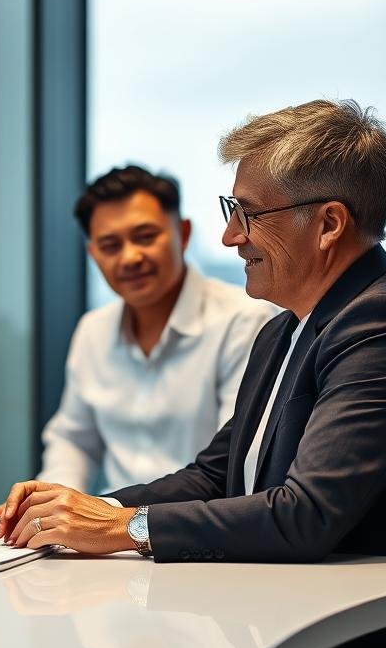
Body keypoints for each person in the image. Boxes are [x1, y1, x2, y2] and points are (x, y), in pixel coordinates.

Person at [0, 100, 386, 566]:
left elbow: (304, 514)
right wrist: (83, 509)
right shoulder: (284, 330)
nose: (232, 236)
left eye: (248, 213)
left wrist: (126, 527)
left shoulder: (385, 329)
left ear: (328, 224)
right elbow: (216, 475)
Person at [39, 166, 273, 492]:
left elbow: (231, 463)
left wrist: (105, 514)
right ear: (93, 255)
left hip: (200, 530)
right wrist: (52, 503)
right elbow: (74, 440)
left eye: (145, 237)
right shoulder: (93, 331)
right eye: (110, 245)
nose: (130, 257)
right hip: (106, 532)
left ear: (184, 233)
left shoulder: (246, 322)